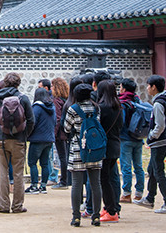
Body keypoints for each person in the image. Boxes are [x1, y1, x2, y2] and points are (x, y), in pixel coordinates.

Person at [0, 72, 35, 214]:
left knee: (2, 172)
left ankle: (3, 205)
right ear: (18, 84)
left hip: (1, 140)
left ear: (5, 83)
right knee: (18, 174)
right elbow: (31, 120)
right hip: (19, 140)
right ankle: (17, 206)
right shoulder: (23, 99)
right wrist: (25, 134)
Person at [135, 74, 166, 214]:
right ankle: (150, 198)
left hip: (160, 142)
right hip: (163, 140)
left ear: (154, 87)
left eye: (148, 85)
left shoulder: (158, 103)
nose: (147, 88)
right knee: (152, 169)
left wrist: (151, 137)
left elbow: (160, 125)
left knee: (158, 172)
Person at [64, 83, 102, 227]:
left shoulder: (73, 109)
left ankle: (76, 217)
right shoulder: (96, 108)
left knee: (77, 184)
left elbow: (67, 128)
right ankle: (96, 216)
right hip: (95, 147)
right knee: (95, 183)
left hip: (79, 147)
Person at [97, 79, 122, 223]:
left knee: (104, 179)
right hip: (115, 145)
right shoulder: (118, 107)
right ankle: (110, 207)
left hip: (104, 147)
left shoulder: (101, 108)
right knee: (109, 178)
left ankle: (111, 210)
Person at [118, 78, 144, 203]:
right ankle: (139, 192)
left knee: (126, 167)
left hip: (125, 138)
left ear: (124, 88)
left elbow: (121, 122)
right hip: (138, 137)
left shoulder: (122, 102)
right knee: (138, 166)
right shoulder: (137, 100)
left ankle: (126, 193)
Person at [26, 87, 56, 194]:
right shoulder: (52, 108)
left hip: (37, 139)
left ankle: (34, 185)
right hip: (49, 139)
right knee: (44, 163)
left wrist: (27, 134)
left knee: (32, 162)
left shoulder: (37, 108)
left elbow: (32, 123)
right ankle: (43, 186)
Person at [51, 77, 70, 189]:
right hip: (66, 131)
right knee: (65, 155)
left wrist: (54, 133)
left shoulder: (57, 101)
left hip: (60, 133)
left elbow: (57, 118)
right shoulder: (66, 100)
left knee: (62, 156)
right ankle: (66, 179)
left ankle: (64, 180)